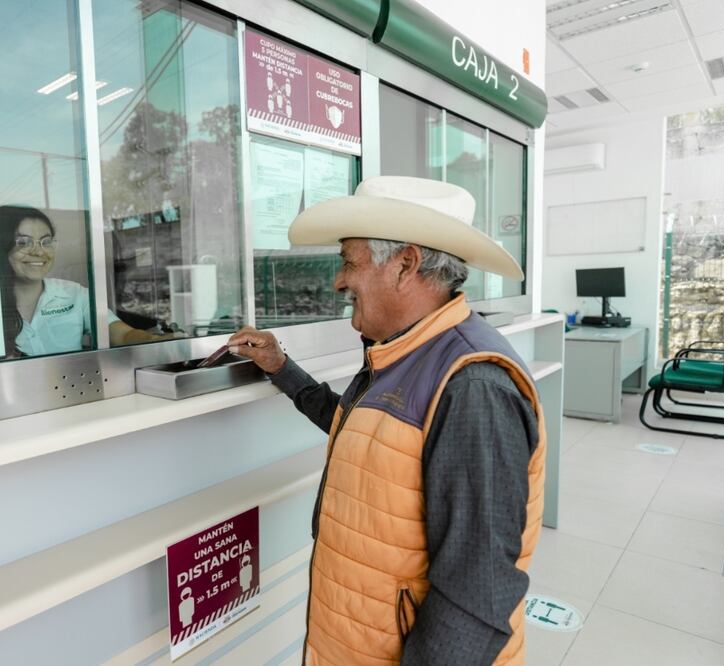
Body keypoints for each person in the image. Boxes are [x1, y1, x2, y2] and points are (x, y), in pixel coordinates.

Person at [227, 176, 545, 665]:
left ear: (405, 265)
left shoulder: (473, 386)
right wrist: (280, 367)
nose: (338, 282)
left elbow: (476, 594)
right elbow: (363, 431)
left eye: (349, 262)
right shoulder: (402, 350)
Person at [0, 205, 176, 357]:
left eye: (46, 241)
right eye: (23, 242)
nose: (38, 252)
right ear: (1, 246)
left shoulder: (75, 294)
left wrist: (156, 341)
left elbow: (122, 335)